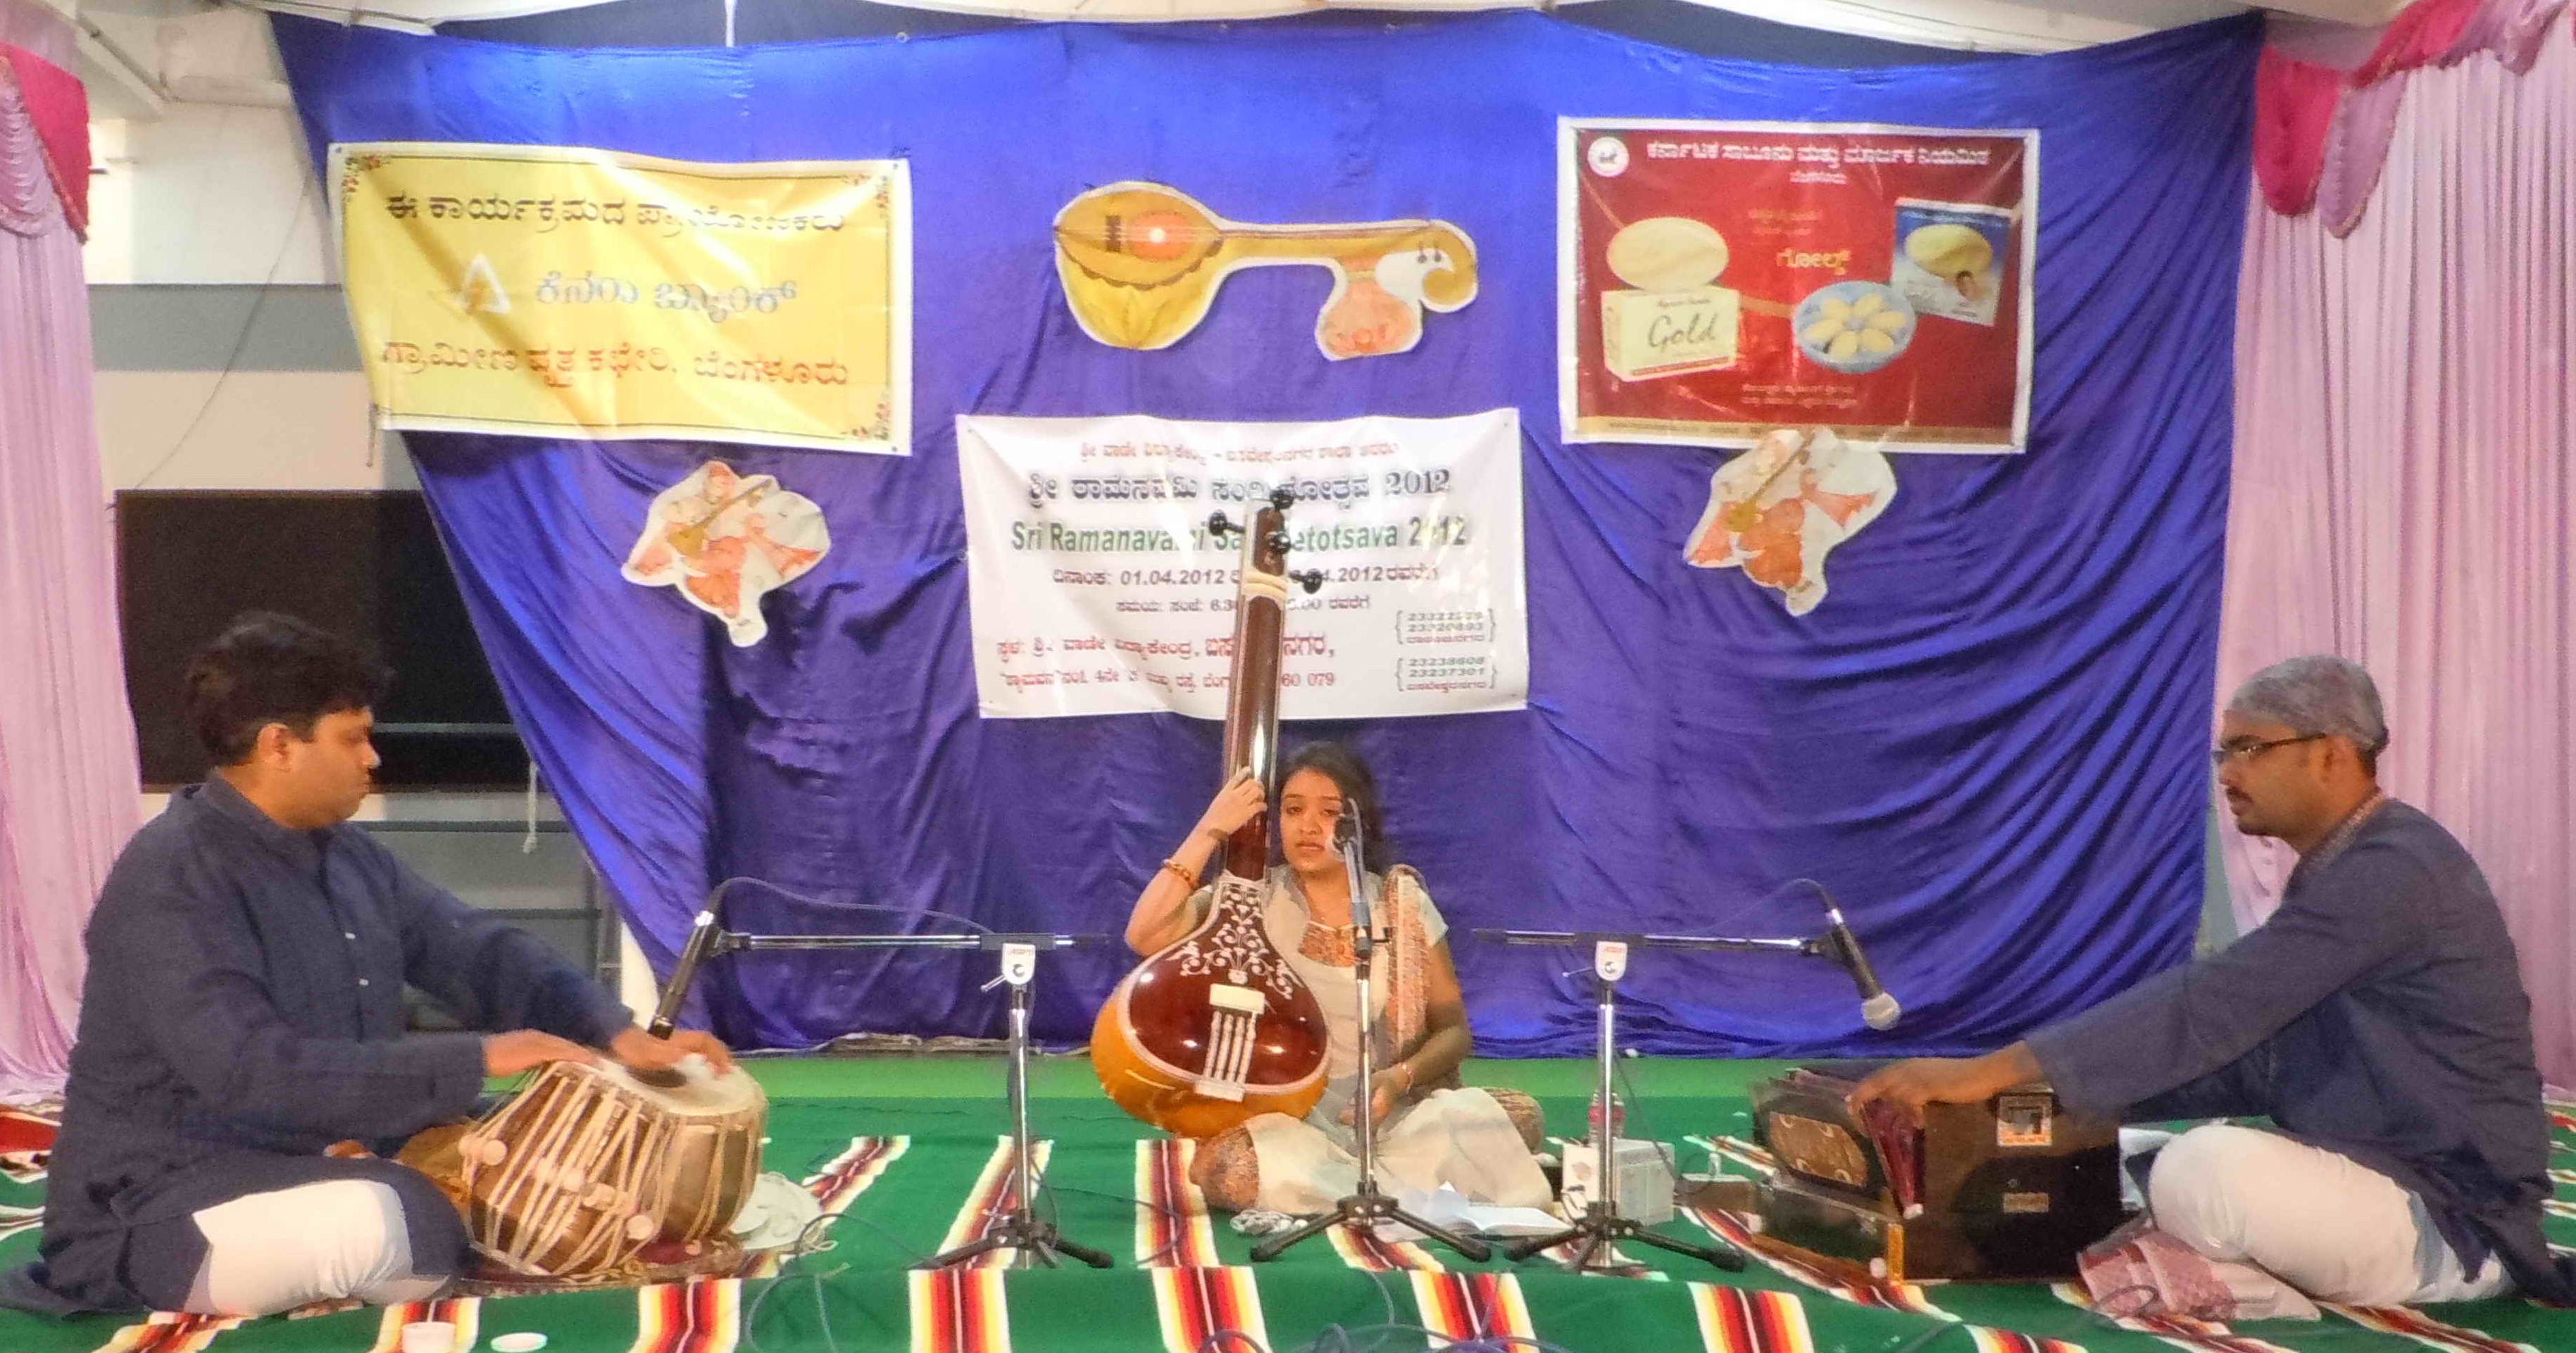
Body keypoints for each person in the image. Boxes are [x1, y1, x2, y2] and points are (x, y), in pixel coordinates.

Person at [0, 613, 734, 1319]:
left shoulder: (348, 857)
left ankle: (424, 1237)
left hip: (326, 1154)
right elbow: (250, 1070)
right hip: (164, 1198)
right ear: (279, 746)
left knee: (593, 1155)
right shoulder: (169, 875)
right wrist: (477, 1056)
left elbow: (476, 949)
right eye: (353, 738)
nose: (372, 758)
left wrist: (617, 1031)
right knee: (393, 1218)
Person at [1851, 656, 2573, 1308]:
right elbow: (2254, 1061)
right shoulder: (2346, 867)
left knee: (2203, 1166)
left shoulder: (2395, 871)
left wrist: (1992, 1069)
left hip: (2448, 1219)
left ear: (2330, 753)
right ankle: (2194, 1240)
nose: (2226, 772)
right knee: (2095, 1141)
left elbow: (2213, 1004)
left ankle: (2222, 1269)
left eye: (2249, 748)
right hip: (2369, 1180)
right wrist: (2036, 1097)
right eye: (2224, 750)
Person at [1123, 741, 1548, 1214]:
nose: (1307, 826)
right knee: (1231, 1173)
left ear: (1357, 826)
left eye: (1328, 813)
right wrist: (1208, 830)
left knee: (1519, 1117)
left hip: (1392, 1113)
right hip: (1288, 1120)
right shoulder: (1251, 898)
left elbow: (1454, 1031)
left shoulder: (1399, 905)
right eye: (1292, 809)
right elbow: (1145, 934)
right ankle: (1396, 1194)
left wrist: (1399, 1079)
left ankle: (1356, 1191)